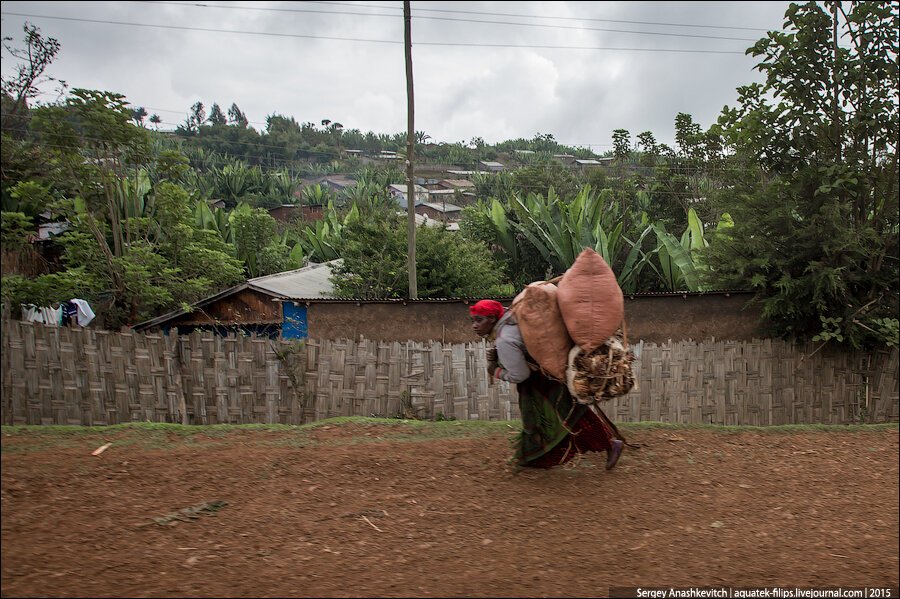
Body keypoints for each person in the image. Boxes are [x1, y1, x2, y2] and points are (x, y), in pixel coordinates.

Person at [469, 299, 624, 469]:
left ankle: (609, 444)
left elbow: (520, 374)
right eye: (473, 321)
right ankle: (537, 458)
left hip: (542, 383)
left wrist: (494, 370)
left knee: (571, 416)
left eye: (479, 320)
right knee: (570, 415)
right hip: (550, 373)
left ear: (492, 319)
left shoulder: (504, 339)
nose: (474, 326)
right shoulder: (511, 319)